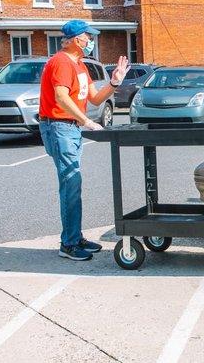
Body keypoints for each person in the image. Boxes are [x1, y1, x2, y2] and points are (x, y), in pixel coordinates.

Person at [39, 19, 129, 261]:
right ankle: (68, 244)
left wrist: (114, 82)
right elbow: (60, 97)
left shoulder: (80, 65)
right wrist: (85, 120)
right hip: (59, 127)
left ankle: (74, 237)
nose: (91, 40)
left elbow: (96, 99)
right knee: (71, 183)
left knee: (73, 184)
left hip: (70, 128)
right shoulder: (60, 62)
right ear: (76, 39)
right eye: (88, 37)